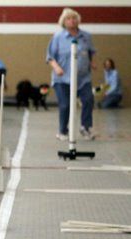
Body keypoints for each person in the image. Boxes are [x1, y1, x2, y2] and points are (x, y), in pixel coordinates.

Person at [47, 8, 96, 141]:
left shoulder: (86, 36)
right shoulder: (58, 37)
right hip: (62, 78)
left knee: (88, 100)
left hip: (83, 77)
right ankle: (62, 131)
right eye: (68, 18)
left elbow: (91, 52)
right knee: (65, 105)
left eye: (74, 18)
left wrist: (92, 63)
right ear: (63, 21)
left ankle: (85, 127)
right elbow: (50, 57)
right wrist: (56, 68)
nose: (72, 21)